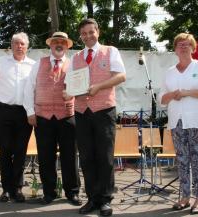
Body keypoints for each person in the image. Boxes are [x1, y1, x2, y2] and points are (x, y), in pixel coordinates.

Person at [65, 18, 126, 216]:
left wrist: (99, 86)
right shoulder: (75, 57)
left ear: (97, 32)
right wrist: (69, 92)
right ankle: (92, 198)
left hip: (104, 110)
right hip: (82, 112)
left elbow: (121, 76)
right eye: (84, 33)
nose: (88, 36)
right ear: (80, 36)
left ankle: (106, 200)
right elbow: (70, 85)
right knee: (87, 157)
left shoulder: (111, 51)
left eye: (91, 32)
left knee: (105, 157)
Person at [157, 33, 198, 214]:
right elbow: (161, 98)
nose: (183, 47)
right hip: (177, 121)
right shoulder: (169, 72)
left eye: (187, 44)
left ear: (192, 48)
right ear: (175, 49)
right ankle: (184, 196)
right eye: (179, 45)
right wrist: (171, 95)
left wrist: (186, 92)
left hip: (197, 120)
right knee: (182, 161)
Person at [23, 32, 81, 206]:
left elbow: (81, 88)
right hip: (43, 117)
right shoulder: (38, 64)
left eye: (62, 42)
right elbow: (29, 88)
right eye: (55, 41)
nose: (58, 44)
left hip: (67, 116)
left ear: (67, 46)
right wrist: (29, 111)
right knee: (46, 156)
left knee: (70, 156)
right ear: (50, 45)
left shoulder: (74, 65)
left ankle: (72, 192)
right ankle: (50, 192)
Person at [0, 32, 34, 203]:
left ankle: (18, 189)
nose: (19, 46)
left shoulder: (33, 65)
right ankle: (5, 189)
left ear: (27, 47)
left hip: (24, 112)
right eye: (16, 43)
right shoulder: (0, 61)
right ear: (11, 45)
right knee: (5, 150)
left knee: (21, 151)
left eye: (22, 44)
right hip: (4, 111)